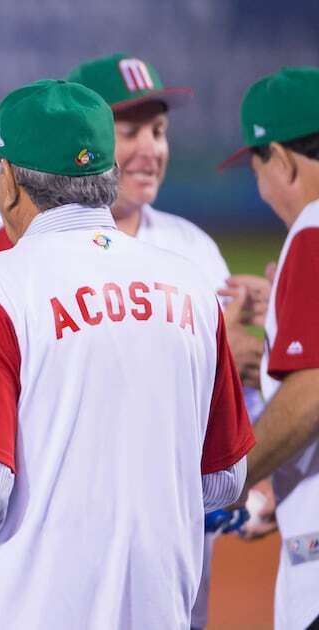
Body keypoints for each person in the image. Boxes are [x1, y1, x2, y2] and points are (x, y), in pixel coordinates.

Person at [0, 79, 253, 628]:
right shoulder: (190, 288)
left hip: (25, 608)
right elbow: (224, 478)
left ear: (11, 182)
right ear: (107, 177)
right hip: (161, 608)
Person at [0, 52, 267, 629]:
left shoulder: (192, 249)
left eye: (158, 131)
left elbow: (231, 422)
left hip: (170, 561)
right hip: (63, 555)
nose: (148, 149)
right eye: (127, 130)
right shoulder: (14, 241)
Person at [219, 65, 319, 630]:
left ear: (280, 158)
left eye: (257, 167)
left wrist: (231, 478)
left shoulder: (312, 228)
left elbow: (312, 394)